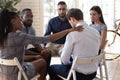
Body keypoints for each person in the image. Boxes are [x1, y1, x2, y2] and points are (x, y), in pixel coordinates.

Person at [0, 9, 82, 80]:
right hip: (18, 75)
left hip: (3, 75)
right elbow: (46, 39)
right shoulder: (20, 36)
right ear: (12, 21)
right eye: (18, 19)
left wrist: (38, 53)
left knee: (36, 60)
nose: (20, 21)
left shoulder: (2, 36)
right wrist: (69, 30)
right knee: (42, 62)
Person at [48, 8, 101, 80]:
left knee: (51, 69)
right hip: (93, 73)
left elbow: (64, 60)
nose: (70, 23)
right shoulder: (96, 32)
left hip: (77, 75)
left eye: (69, 21)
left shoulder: (72, 34)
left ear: (72, 19)